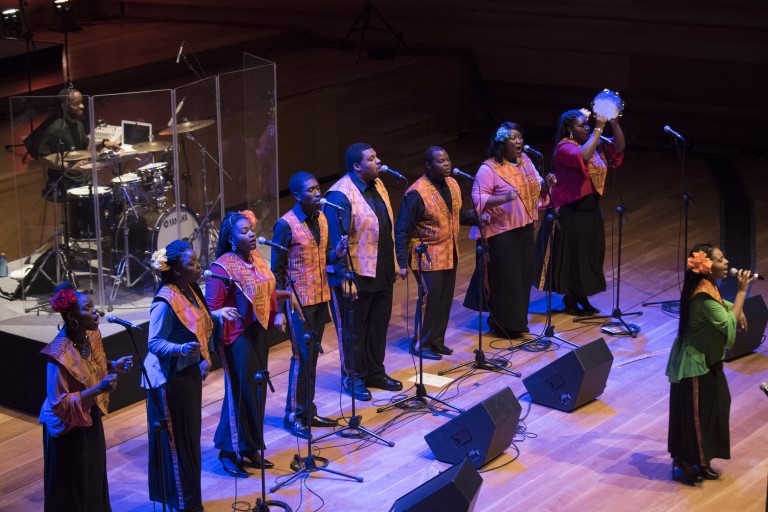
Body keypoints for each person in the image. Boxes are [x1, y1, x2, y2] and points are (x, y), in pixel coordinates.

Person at [143, 240, 239, 511]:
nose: (199, 266)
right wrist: (181, 349)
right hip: (168, 380)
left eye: (197, 260)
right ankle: (183, 504)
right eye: (192, 263)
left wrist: (217, 314)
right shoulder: (164, 300)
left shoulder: (190, 289)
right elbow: (154, 343)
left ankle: (190, 503)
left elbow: (197, 320)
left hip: (187, 376)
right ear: (175, 271)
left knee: (190, 443)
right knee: (179, 445)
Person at [205, 210, 291, 477]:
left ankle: (250, 446)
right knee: (240, 393)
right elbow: (210, 309)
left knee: (256, 389)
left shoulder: (256, 259)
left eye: (251, 229)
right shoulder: (221, 267)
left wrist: (277, 311)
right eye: (244, 231)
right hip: (235, 337)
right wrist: (220, 315)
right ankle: (228, 451)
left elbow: (267, 288)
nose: (252, 234)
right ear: (231, 238)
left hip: (257, 331)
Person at [666, 243, 755, 485]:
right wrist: (740, 294)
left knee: (716, 407)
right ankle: (688, 464)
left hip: (708, 361)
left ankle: (701, 461)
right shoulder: (702, 294)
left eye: (724, 258)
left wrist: (732, 307)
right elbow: (728, 325)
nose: (726, 262)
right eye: (719, 259)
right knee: (696, 416)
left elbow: (721, 306)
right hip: (694, 364)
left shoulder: (707, 286)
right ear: (706, 267)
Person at [39, 282, 133, 512]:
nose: (96, 312)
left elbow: (90, 367)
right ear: (72, 316)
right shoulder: (58, 354)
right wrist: (98, 389)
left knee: (93, 475)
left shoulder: (91, 335)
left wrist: (112, 366)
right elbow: (59, 404)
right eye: (88, 308)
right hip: (67, 428)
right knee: (74, 485)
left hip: (88, 415)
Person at [324, 142, 404, 402]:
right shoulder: (340, 196)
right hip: (356, 275)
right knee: (354, 330)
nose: (378, 161)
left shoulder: (378, 184)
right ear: (357, 166)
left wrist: (395, 263)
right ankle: (354, 377)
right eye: (372, 158)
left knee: (378, 326)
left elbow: (385, 228)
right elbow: (337, 242)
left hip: (380, 270)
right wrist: (346, 278)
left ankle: (375, 372)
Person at [271, 171, 347, 438]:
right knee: (301, 358)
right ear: (296, 195)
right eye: (310, 190)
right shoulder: (285, 225)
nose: (317, 193)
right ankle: (294, 415)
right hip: (297, 304)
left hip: (320, 297)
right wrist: (280, 311)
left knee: (313, 357)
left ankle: (308, 409)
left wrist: (335, 254)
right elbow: (276, 271)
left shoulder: (322, 218)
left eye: (318, 188)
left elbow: (322, 254)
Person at [466, 123, 555, 338]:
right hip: (500, 233)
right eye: (513, 138)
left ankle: (517, 322)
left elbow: (536, 185)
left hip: (524, 228)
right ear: (501, 142)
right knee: (508, 278)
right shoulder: (488, 169)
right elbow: (477, 199)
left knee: (523, 276)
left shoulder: (526, 161)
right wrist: (503, 198)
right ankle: (503, 324)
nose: (518, 142)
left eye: (520, 137)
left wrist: (546, 184)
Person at [395, 146, 479, 359]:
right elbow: (402, 228)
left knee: (444, 298)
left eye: (448, 159)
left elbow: (455, 216)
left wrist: (479, 218)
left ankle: (436, 341)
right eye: (441, 161)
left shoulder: (452, 184)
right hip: (426, 254)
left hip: (450, 251)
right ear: (428, 165)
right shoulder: (416, 192)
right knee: (430, 298)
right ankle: (421, 344)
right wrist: (402, 262)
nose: (447, 164)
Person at [542, 108, 624, 316]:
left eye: (586, 124)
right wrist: (598, 127)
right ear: (569, 129)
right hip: (572, 210)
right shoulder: (564, 148)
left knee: (591, 254)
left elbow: (619, 146)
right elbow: (583, 156)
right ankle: (572, 297)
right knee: (576, 257)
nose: (586, 128)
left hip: (591, 208)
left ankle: (580, 296)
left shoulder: (594, 144)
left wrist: (613, 123)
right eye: (581, 125)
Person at [37, 87, 122, 202]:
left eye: (81, 102)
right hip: (63, 182)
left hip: (80, 178)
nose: (82, 106)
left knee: (110, 194)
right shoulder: (55, 130)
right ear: (64, 107)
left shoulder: (78, 125)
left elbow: (86, 148)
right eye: (76, 104)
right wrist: (69, 165)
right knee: (99, 200)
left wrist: (104, 143)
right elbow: (42, 158)